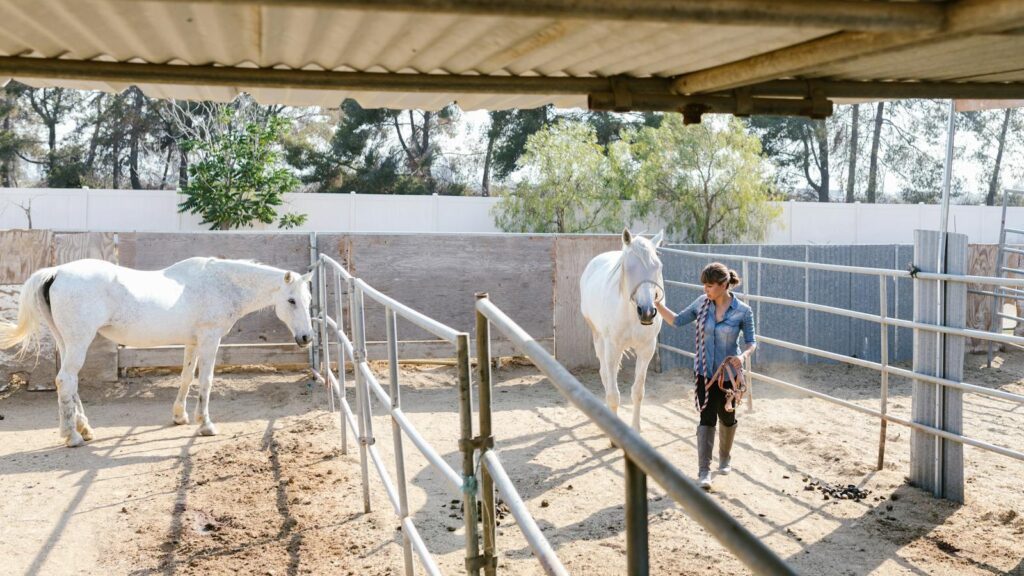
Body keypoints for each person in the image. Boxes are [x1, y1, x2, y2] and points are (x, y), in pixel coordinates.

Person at [655, 262, 757, 489]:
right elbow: (676, 320)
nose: (705, 290)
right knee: (706, 418)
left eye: (710, 286)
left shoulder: (743, 311)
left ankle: (725, 457)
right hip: (703, 372)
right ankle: (704, 471)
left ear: (724, 285)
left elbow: (751, 342)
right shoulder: (701, 304)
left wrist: (742, 357)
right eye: (704, 286)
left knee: (727, 418)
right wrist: (657, 304)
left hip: (729, 375)